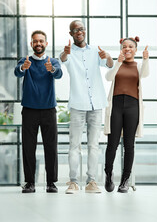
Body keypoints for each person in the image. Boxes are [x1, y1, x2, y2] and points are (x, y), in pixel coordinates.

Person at [59, 20, 113, 194]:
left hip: (96, 104)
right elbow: (63, 59)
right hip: (77, 105)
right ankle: (73, 182)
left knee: (93, 145)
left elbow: (110, 65)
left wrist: (108, 57)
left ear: (85, 30)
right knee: (74, 145)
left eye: (81, 29)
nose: (79, 32)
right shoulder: (69, 52)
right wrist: (65, 53)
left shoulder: (96, 50)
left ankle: (92, 182)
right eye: (75, 30)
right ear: (71, 34)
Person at [14, 30, 63, 193]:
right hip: (29, 111)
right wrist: (23, 67)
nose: (38, 43)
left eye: (41, 41)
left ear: (46, 43)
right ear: (31, 44)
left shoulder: (52, 61)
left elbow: (59, 74)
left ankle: (51, 183)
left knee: (51, 147)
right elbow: (17, 71)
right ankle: (30, 183)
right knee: (28, 147)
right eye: (35, 41)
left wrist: (52, 70)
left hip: (49, 110)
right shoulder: (25, 60)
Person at [104, 36, 149, 193]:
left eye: (131, 46)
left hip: (132, 106)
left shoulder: (138, 66)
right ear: (121, 49)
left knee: (129, 145)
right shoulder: (118, 64)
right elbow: (108, 77)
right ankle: (108, 174)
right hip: (116, 106)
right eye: (124, 46)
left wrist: (145, 59)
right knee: (112, 144)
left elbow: (145, 74)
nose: (127, 48)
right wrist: (118, 62)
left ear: (135, 50)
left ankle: (125, 180)